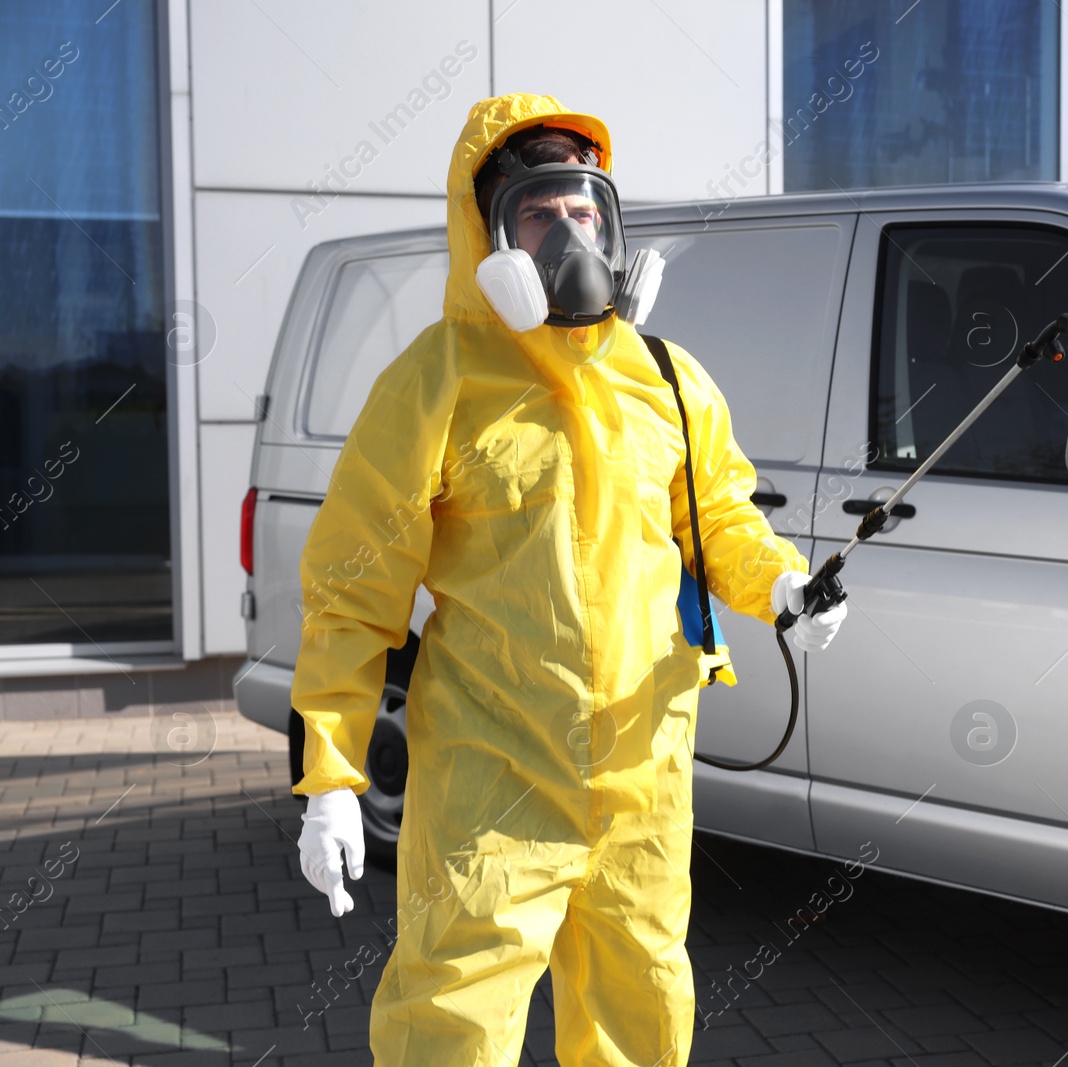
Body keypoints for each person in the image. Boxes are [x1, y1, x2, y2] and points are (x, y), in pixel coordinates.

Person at [288, 93, 848, 1067]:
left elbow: (717, 517)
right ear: (487, 234)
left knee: (642, 1007)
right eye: (538, 213)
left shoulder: (667, 376)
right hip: (491, 776)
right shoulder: (438, 381)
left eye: (583, 211)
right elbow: (353, 588)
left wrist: (781, 587)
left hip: (643, 771)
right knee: (452, 1017)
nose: (567, 233)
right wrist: (332, 776)